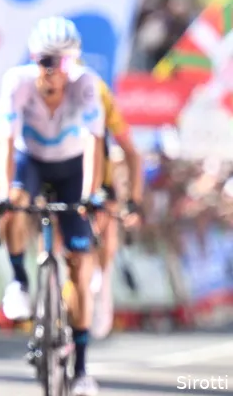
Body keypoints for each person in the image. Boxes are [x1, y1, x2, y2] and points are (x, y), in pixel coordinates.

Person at [0, 17, 103, 396]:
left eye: (64, 63)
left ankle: (83, 369)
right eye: (44, 61)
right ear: (33, 59)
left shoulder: (87, 85)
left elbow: (93, 143)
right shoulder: (16, 82)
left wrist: (89, 195)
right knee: (14, 203)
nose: (53, 72)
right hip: (32, 161)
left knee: (80, 263)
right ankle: (18, 281)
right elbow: (4, 142)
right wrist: (5, 193)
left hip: (73, 169)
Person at [90, 78, 143, 340]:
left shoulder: (101, 96)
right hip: (60, 176)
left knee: (104, 229)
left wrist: (133, 202)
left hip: (101, 180)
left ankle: (102, 279)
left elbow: (132, 154)